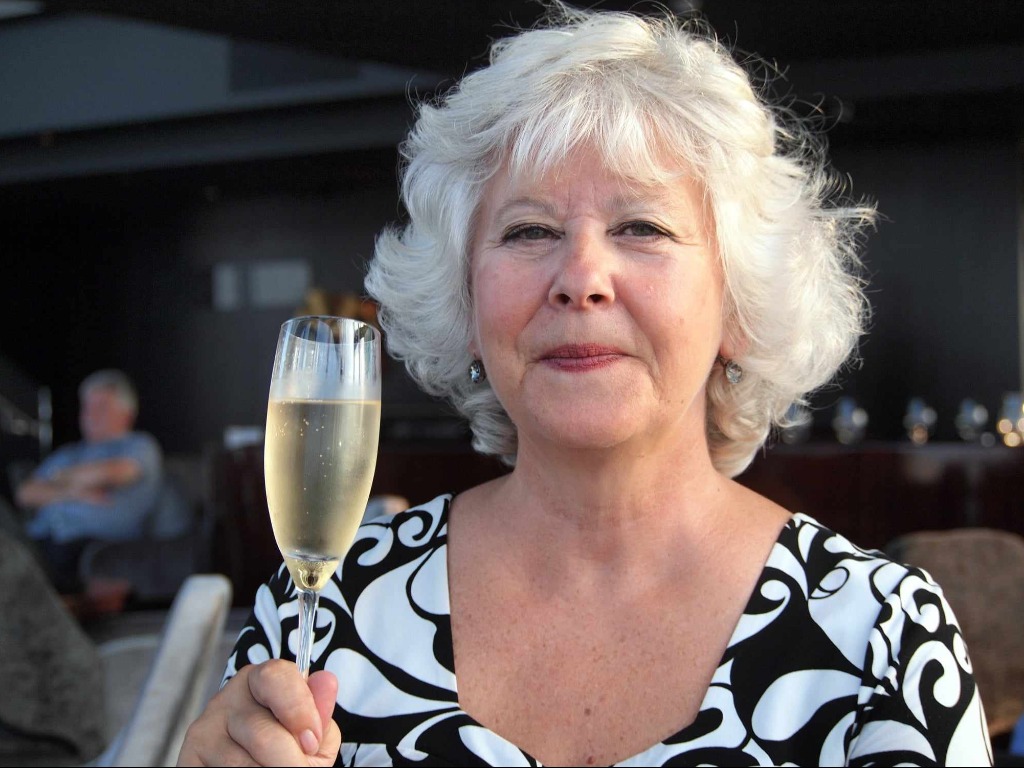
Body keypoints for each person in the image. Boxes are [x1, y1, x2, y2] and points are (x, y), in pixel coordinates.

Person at [179, 5, 993, 766]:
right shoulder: (326, 608)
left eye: (642, 227)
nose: (581, 278)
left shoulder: (879, 638)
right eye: (529, 230)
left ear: (740, 303)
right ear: (465, 301)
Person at [15, 368, 165, 593]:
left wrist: (59, 478)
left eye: (101, 407)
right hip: (37, 538)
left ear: (127, 413)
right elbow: (25, 493)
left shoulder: (139, 445)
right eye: (87, 407)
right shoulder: (69, 453)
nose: (91, 415)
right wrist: (71, 493)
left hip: (95, 548)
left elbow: (113, 474)